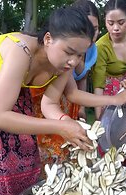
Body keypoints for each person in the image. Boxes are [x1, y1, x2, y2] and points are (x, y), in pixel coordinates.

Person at [0, 7, 126, 195]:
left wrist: (66, 120)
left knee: (24, 149)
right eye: (70, 51)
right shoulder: (21, 52)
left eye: (80, 55)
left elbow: (51, 103)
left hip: (18, 87)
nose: (73, 61)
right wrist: (59, 127)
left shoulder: (62, 65)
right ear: (48, 39)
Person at [34, 0, 101, 171]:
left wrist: (81, 109)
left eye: (95, 28)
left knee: (68, 136)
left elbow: (82, 79)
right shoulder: (60, 52)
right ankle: (46, 169)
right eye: (86, 25)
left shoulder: (90, 51)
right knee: (49, 135)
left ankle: (66, 167)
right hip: (51, 92)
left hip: (69, 96)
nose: (90, 33)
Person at [91, 0, 126, 120]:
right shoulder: (101, 46)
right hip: (110, 93)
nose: (116, 28)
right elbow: (98, 85)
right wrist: (98, 117)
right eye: (110, 23)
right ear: (105, 22)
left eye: (121, 22)